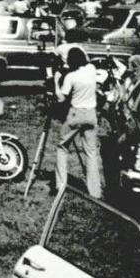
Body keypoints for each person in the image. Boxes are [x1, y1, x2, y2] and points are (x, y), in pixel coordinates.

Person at [54, 46, 102, 197]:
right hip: (91, 114)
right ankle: (95, 191)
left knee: (62, 147)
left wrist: (56, 81)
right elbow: (86, 61)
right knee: (91, 152)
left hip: (75, 114)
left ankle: (60, 184)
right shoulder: (92, 69)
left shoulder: (71, 77)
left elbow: (61, 98)